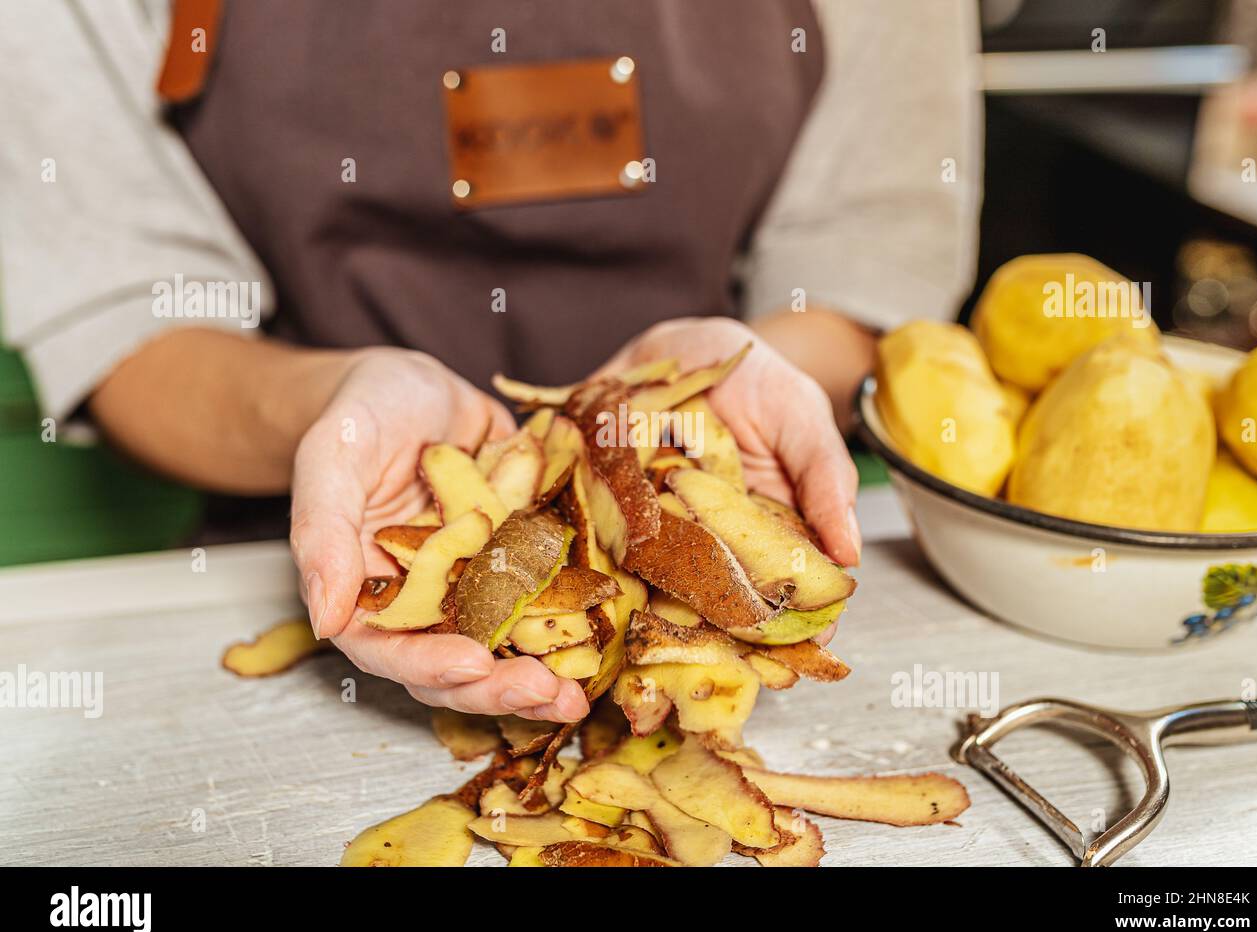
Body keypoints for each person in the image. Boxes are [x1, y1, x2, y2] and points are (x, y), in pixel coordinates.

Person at [0, 0, 981, 723]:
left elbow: (861, 259)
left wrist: (746, 382)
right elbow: (132, 324)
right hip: (316, 558)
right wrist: (337, 411)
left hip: (701, 575)